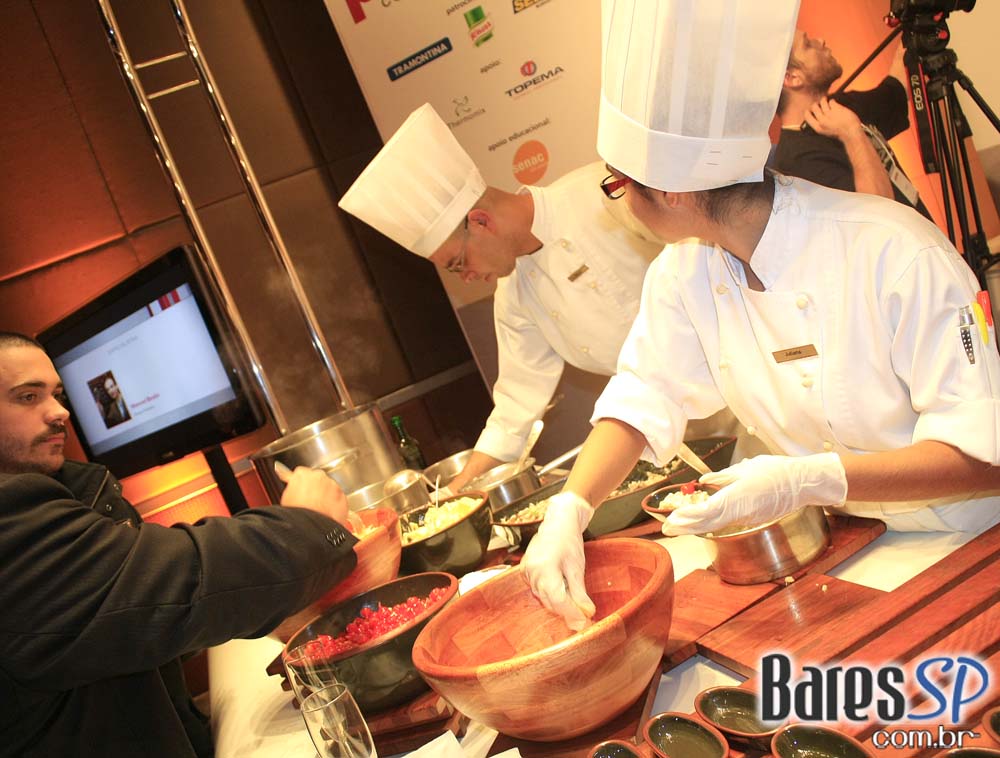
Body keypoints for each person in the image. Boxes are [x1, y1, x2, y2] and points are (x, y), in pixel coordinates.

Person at [522, 0, 1000, 630]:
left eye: (618, 185)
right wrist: (571, 508)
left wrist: (806, 479)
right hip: (856, 552)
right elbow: (644, 394)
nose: (620, 202)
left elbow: (982, 456)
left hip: (970, 547)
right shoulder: (684, 271)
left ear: (670, 191)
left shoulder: (893, 250)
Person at [338, 104, 741, 490]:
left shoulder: (601, 197)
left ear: (480, 221)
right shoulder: (515, 294)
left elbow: (720, 254)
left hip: (741, 396)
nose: (468, 277)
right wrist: (456, 493)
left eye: (458, 263)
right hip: (663, 434)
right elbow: (515, 409)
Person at [0, 332, 360, 757]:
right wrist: (308, 527)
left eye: (57, 395)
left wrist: (270, 599)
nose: (59, 411)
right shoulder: (11, 520)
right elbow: (173, 580)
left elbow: (132, 623)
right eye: (28, 397)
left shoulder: (71, 490)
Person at [773, 29, 933, 219]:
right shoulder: (797, 163)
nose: (821, 40)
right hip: (901, 236)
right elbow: (879, 215)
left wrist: (915, 31)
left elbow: (898, 86)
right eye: (807, 45)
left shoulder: (840, 106)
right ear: (792, 78)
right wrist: (852, 133)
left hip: (927, 231)